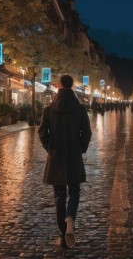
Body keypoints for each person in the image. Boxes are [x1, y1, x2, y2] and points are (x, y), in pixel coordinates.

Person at [38, 74, 92, 249]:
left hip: (56, 157)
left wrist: (49, 147)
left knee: (60, 194)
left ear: (59, 85)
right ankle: (70, 217)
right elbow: (87, 132)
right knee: (74, 190)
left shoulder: (49, 109)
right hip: (74, 155)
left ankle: (62, 231)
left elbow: (42, 132)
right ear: (73, 86)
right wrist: (81, 147)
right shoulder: (80, 109)